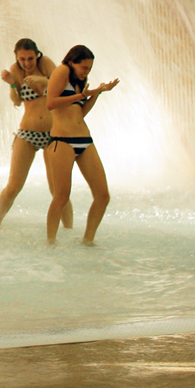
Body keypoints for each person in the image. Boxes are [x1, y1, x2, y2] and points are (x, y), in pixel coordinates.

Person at [0, 37, 73, 228]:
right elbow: (17, 101)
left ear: (37, 55)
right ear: (17, 58)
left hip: (53, 134)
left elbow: (64, 86)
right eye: (22, 59)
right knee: (13, 186)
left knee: (57, 190)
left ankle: (69, 231)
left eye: (30, 58)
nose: (27, 63)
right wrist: (13, 84)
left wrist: (43, 79)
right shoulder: (15, 70)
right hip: (28, 134)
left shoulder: (45, 64)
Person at [44, 44, 118, 246]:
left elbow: (80, 112)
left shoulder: (80, 80)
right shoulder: (62, 71)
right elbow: (50, 103)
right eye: (84, 67)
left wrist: (97, 93)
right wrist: (82, 95)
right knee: (61, 196)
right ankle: (50, 242)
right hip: (62, 141)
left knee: (103, 195)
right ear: (72, 61)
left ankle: (88, 241)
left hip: (84, 139)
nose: (87, 71)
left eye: (90, 68)